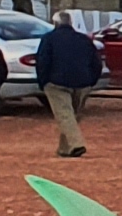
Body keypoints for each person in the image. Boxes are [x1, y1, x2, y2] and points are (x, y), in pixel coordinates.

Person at [35, 11, 101, 157]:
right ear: (70, 23)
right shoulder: (83, 39)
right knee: (73, 115)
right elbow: (96, 62)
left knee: (65, 116)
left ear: (55, 23)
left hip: (56, 82)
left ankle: (77, 144)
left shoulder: (49, 39)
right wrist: (91, 81)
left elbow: (43, 61)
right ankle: (65, 149)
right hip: (83, 83)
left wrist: (43, 81)